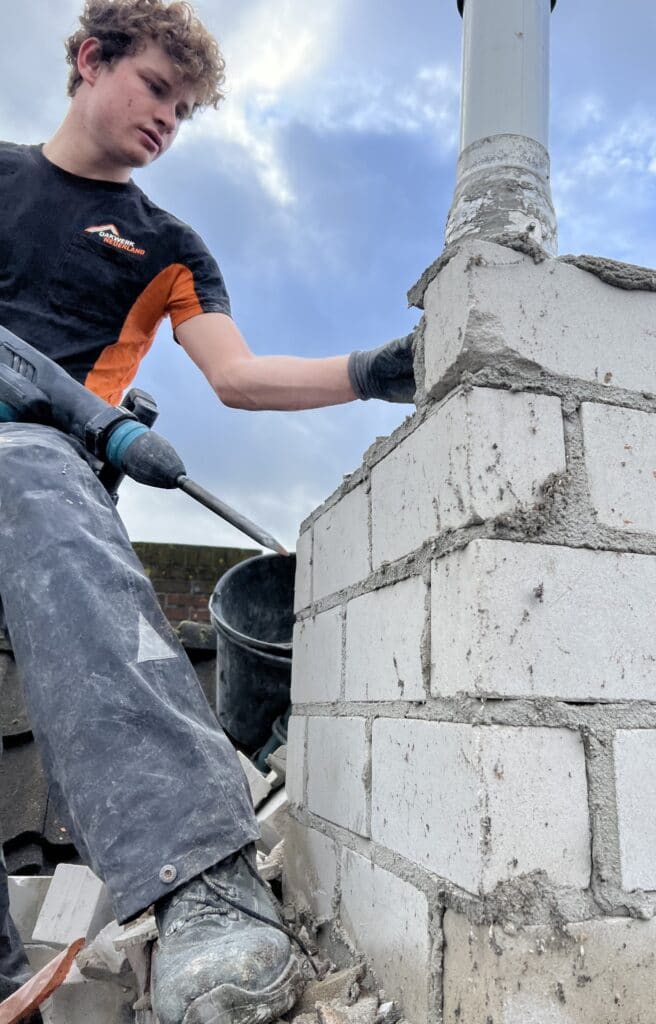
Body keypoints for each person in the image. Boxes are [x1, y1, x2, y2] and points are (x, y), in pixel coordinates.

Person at [0, 1, 415, 1021]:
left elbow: (235, 376)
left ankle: (203, 880)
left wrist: (371, 371)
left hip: (42, 479)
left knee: (28, 470)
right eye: (155, 89)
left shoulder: (165, 245)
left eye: (184, 111)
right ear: (91, 60)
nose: (168, 121)